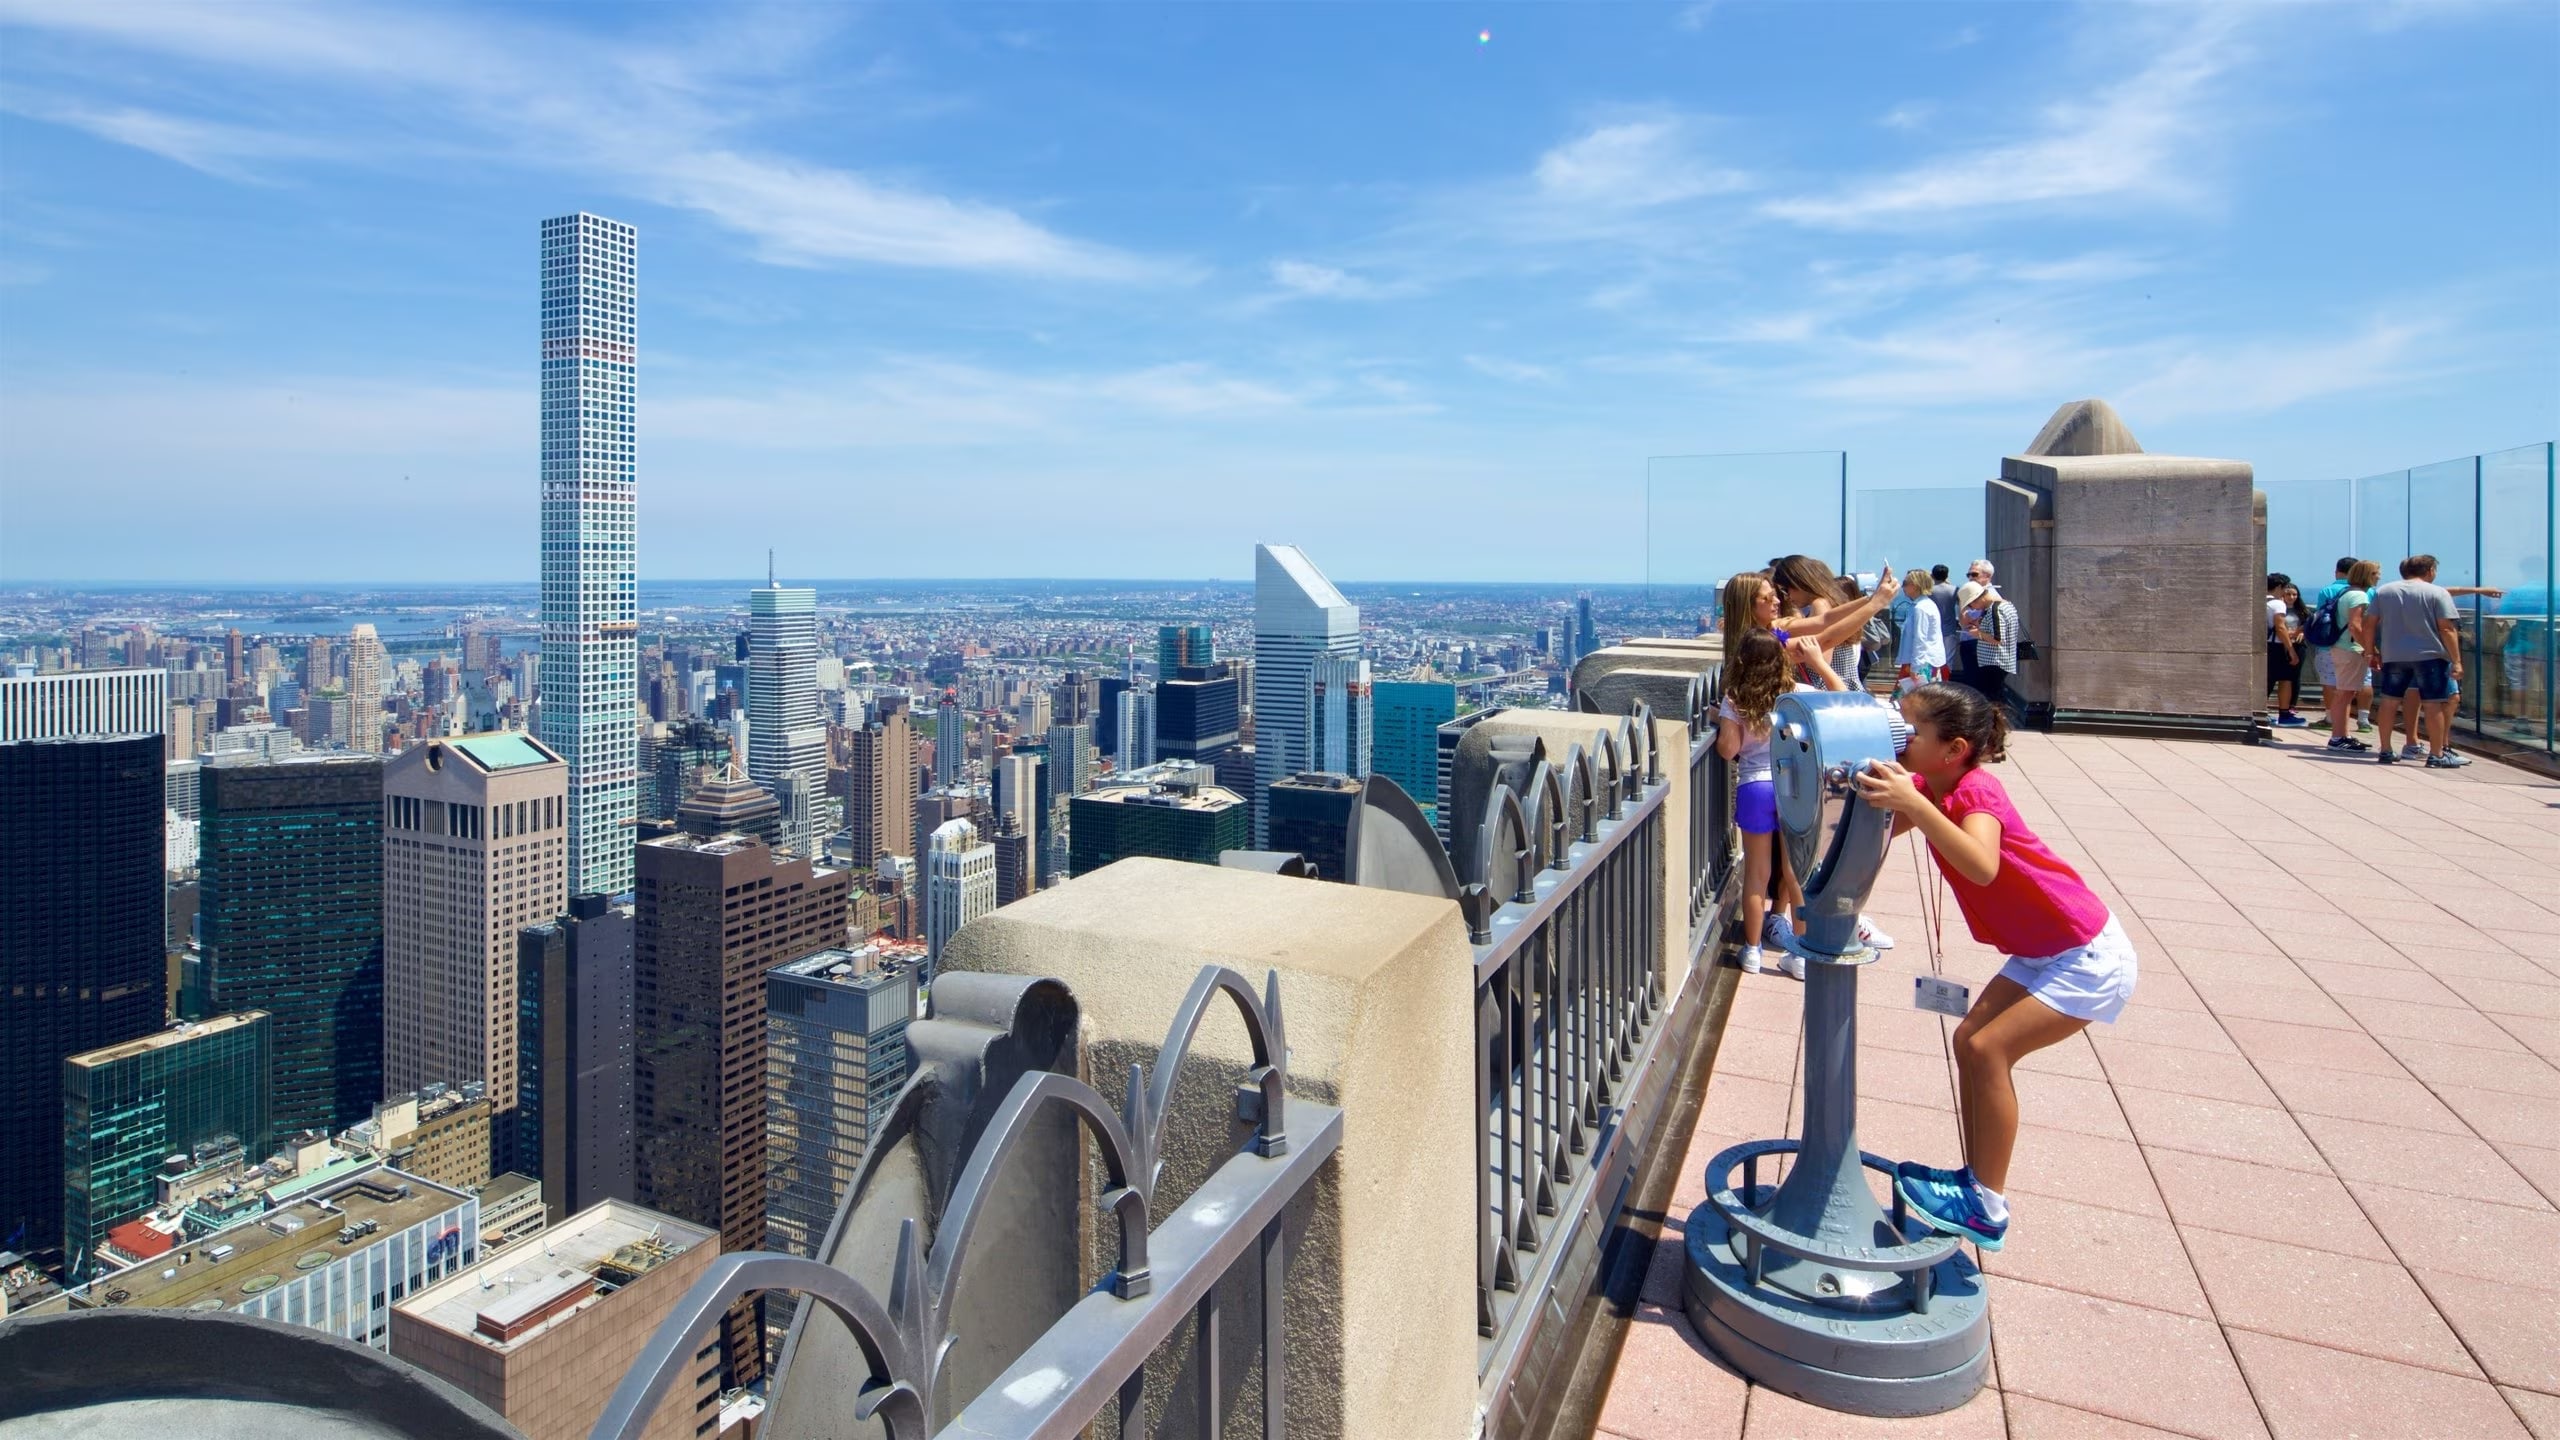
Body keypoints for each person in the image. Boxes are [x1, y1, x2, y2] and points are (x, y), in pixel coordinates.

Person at [1852, 684, 2138, 1250]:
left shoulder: (1977, 788)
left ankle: (1988, 1206)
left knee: (1989, 1050)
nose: (1899, 739)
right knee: (1968, 1040)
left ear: (1954, 748)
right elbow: (1880, 810)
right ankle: (1973, 1179)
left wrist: (1915, 807)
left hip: (2086, 954)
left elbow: (1981, 864)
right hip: (2044, 948)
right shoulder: (1931, 783)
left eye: (1911, 733)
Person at [1718, 631, 1850, 977]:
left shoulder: (1735, 699)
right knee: (1797, 876)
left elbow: (1728, 750)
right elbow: (1844, 700)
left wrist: (1724, 719)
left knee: (1756, 875)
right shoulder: (1797, 696)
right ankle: (1800, 954)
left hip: (1754, 786)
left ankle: (1752, 951)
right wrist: (1819, 663)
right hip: (1794, 788)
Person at [2371, 555, 2468, 768]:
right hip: (2430, 656)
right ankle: (2436, 755)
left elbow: (2370, 623)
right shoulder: (2437, 592)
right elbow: (2447, 628)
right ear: (2430, 570)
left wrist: (2371, 651)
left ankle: (2386, 750)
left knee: (2389, 701)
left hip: (2394, 654)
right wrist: (2457, 660)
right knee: (2433, 705)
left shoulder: (2384, 591)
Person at [2317, 560, 2379, 751]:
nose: (2378, 577)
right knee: (2344, 694)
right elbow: (2355, 625)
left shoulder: (2346, 593)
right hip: (2350, 649)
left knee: (2344, 692)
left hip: (2340, 647)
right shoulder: (2359, 596)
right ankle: (2338, 737)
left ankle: (2343, 735)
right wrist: (2369, 648)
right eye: (2376, 573)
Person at [1964, 583, 2022, 706]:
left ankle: (1995, 723)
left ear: (1978, 598)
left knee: (1992, 698)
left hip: (1994, 661)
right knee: (1995, 696)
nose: (1973, 608)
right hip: (1999, 660)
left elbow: (1997, 638)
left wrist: (1978, 634)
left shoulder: (1996, 609)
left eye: (1971, 604)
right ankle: (1997, 722)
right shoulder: (2005, 605)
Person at [2265, 573, 2308, 726]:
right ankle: (2284, 714)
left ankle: (2259, 712)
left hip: (2265, 645)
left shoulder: (2261, 601)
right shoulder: (2278, 604)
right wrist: (2290, 649)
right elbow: (2280, 627)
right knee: (2286, 679)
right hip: (2277, 646)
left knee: (2267, 681)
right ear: (2278, 587)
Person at [1897, 568, 1946, 691]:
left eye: (1905, 584)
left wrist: (1916, 667)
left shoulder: (1921, 608)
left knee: (1914, 700)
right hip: (1926, 660)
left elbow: (1920, 639)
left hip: (1922, 662)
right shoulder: (1925, 605)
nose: (1903, 587)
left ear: (1915, 586)